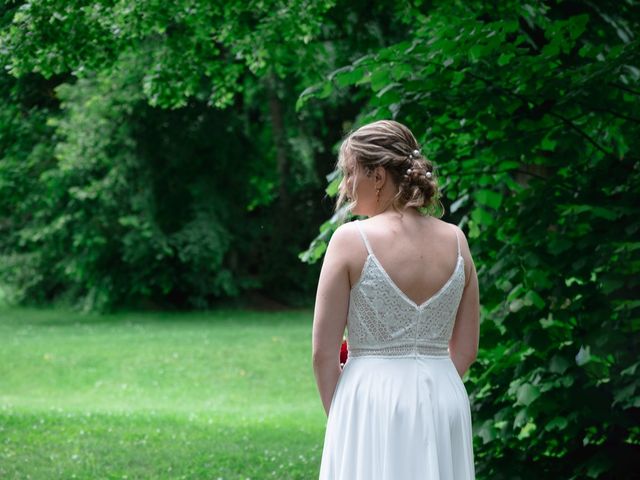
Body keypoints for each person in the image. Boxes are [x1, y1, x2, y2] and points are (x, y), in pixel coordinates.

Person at [312, 120, 479, 479]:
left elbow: (323, 354)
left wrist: (344, 417)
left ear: (378, 176)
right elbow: (466, 349)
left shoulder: (349, 240)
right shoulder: (456, 240)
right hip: (443, 398)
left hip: (370, 400)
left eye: (350, 172)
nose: (344, 185)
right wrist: (431, 391)